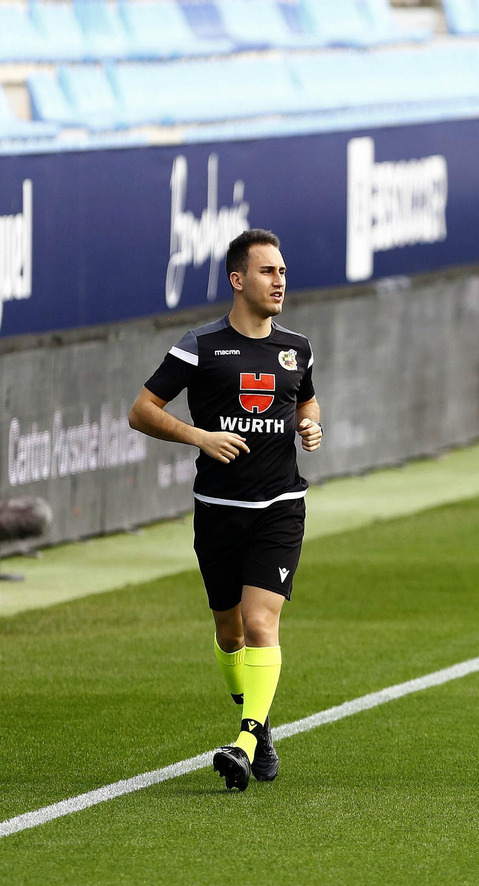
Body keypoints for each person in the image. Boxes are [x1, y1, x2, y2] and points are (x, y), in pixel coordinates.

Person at [129, 228, 321, 791]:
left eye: (283, 270)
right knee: (229, 628)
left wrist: (310, 425)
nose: (280, 279)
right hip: (218, 509)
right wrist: (199, 437)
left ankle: (244, 740)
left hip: (280, 507)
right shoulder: (200, 346)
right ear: (238, 280)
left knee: (262, 622)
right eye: (268, 271)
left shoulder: (297, 347)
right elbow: (141, 411)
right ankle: (259, 726)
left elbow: (305, 398)